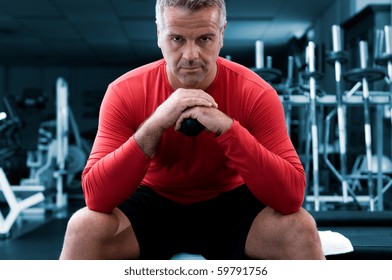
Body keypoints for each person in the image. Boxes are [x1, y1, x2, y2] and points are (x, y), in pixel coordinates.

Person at [59, 0, 325, 260]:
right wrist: (154, 124)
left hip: (230, 205)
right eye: (176, 39)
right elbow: (96, 197)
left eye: (204, 39)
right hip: (152, 205)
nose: (190, 56)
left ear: (221, 34)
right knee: (84, 227)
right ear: (159, 34)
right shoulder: (124, 92)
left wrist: (228, 129)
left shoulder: (256, 93)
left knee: (299, 228)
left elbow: (291, 198)